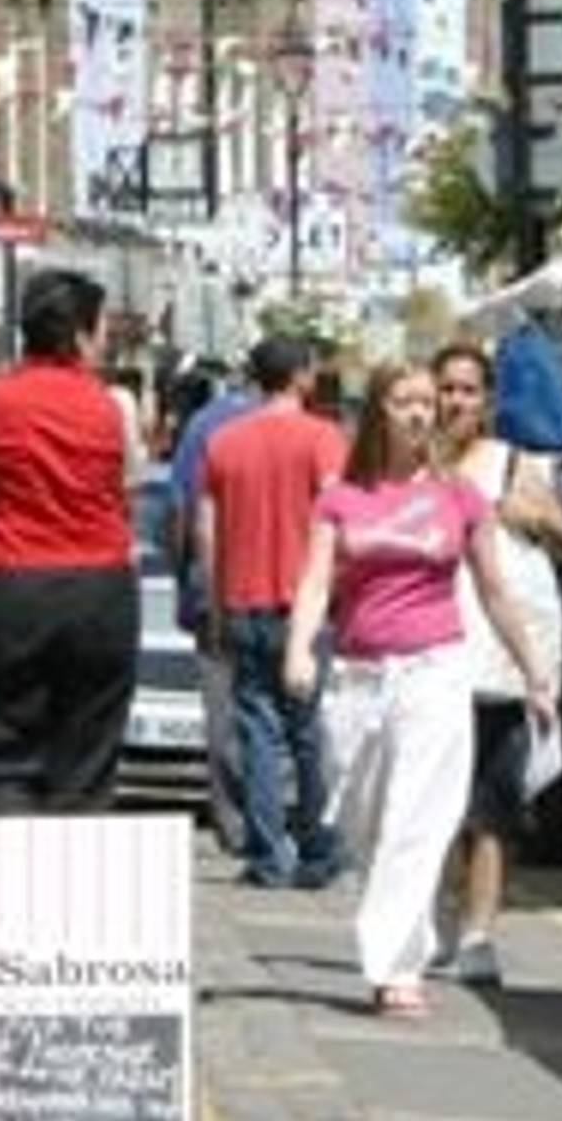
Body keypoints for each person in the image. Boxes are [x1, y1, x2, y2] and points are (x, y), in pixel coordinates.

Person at [280, 360, 559, 1018]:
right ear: (377, 410)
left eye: (427, 403)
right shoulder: (341, 497)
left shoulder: (459, 497)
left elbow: (495, 590)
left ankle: (396, 968)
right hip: (358, 674)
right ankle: (410, 931)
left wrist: (535, 671)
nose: (418, 413)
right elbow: (317, 581)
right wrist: (299, 649)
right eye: (403, 401)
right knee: (366, 820)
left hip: (435, 667)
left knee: (417, 818)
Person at [0, 269, 141, 813]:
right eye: (101, 332)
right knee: (88, 756)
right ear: (80, 335)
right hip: (98, 586)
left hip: (8, 584)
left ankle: (9, 882)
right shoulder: (108, 407)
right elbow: (121, 493)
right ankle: (73, 883)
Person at [433, 340, 562, 985]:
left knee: (491, 806)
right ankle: (438, 922)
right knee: (434, 807)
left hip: (497, 663)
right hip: (430, 653)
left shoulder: (514, 463)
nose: (456, 401)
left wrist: (531, 518)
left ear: (488, 401)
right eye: (447, 388)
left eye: (468, 390)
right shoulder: (414, 463)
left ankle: (478, 935)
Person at [197, 334, 345, 891]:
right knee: (306, 730)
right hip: (302, 602)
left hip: (241, 598)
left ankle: (266, 852)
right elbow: (337, 518)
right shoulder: (324, 440)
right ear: (303, 375)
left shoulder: (224, 442)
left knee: (256, 728)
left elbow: (206, 530)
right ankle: (315, 847)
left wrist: (214, 603)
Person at [159, 360, 251, 856]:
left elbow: (179, 510)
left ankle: (235, 822)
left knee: (223, 706)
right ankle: (276, 818)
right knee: (273, 709)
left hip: (212, 585)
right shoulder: (304, 428)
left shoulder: (201, 427)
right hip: (281, 588)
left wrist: (182, 575)